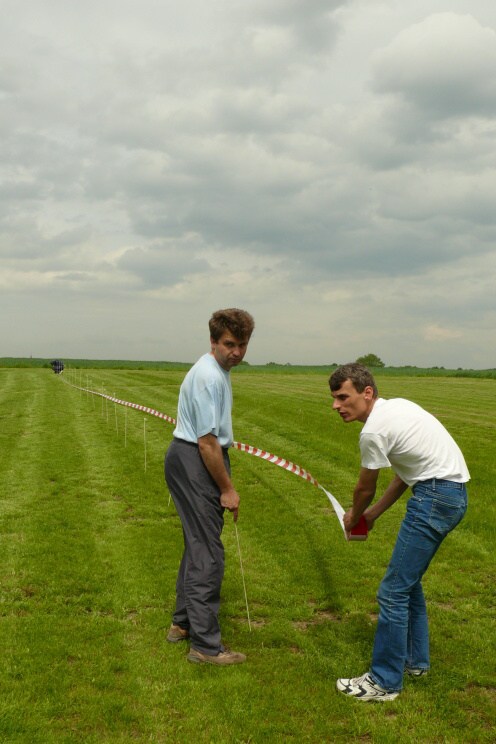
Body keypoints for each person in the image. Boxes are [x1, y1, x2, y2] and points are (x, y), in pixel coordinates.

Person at [329, 363, 469, 701]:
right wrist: (373, 516)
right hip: (450, 494)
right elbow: (406, 473)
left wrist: (355, 516)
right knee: (408, 583)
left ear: (367, 392)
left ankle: (384, 681)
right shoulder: (399, 407)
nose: (336, 405)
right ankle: (415, 662)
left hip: (435, 497)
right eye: (334, 398)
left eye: (343, 397)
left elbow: (365, 487)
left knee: (392, 591)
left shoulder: (373, 431)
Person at [164, 308, 255, 665]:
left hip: (191, 456)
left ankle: (183, 624)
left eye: (242, 345)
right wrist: (228, 489)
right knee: (208, 553)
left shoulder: (217, 369)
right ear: (213, 341)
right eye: (230, 344)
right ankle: (206, 646)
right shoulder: (208, 377)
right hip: (194, 459)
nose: (236, 352)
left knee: (197, 543)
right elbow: (206, 443)